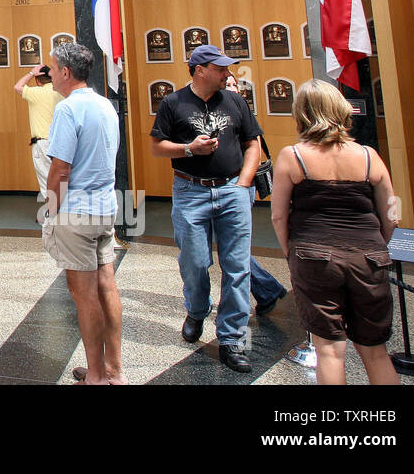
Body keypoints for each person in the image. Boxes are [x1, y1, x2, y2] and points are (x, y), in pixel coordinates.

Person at [271, 79, 400, 385]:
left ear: (301, 114)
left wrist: (291, 252)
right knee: (376, 352)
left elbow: (278, 215)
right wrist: (378, 245)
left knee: (328, 351)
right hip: (368, 255)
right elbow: (392, 213)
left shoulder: (293, 156)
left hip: (314, 254)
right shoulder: (369, 155)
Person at [150, 44, 263, 373]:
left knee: (237, 267)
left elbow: (252, 143)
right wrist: (189, 149)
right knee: (196, 263)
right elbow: (157, 147)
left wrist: (244, 184)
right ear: (200, 70)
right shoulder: (173, 103)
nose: (228, 73)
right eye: (221, 68)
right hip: (190, 192)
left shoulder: (236, 100)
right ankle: (197, 310)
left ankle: (231, 339)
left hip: (231, 190)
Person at [41, 42, 125, 385]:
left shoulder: (68, 109)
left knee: (84, 292)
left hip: (76, 212)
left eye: (51, 68)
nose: (48, 73)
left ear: (65, 72)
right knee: (107, 285)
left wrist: (50, 209)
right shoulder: (105, 104)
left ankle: (94, 376)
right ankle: (114, 370)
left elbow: (60, 169)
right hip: (106, 208)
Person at [224, 73, 289, 315]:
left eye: (233, 84)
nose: (230, 87)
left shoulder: (241, 113)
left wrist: (240, 185)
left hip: (241, 186)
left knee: (232, 248)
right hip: (229, 186)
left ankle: (267, 289)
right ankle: (266, 290)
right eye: (226, 84)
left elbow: (254, 150)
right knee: (231, 247)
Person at [15, 63, 63, 200]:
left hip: (43, 144)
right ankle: (62, 212)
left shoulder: (36, 93)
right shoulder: (59, 92)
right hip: (60, 142)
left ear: (37, 80)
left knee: (47, 181)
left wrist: (31, 73)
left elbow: (18, 87)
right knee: (60, 179)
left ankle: (52, 215)